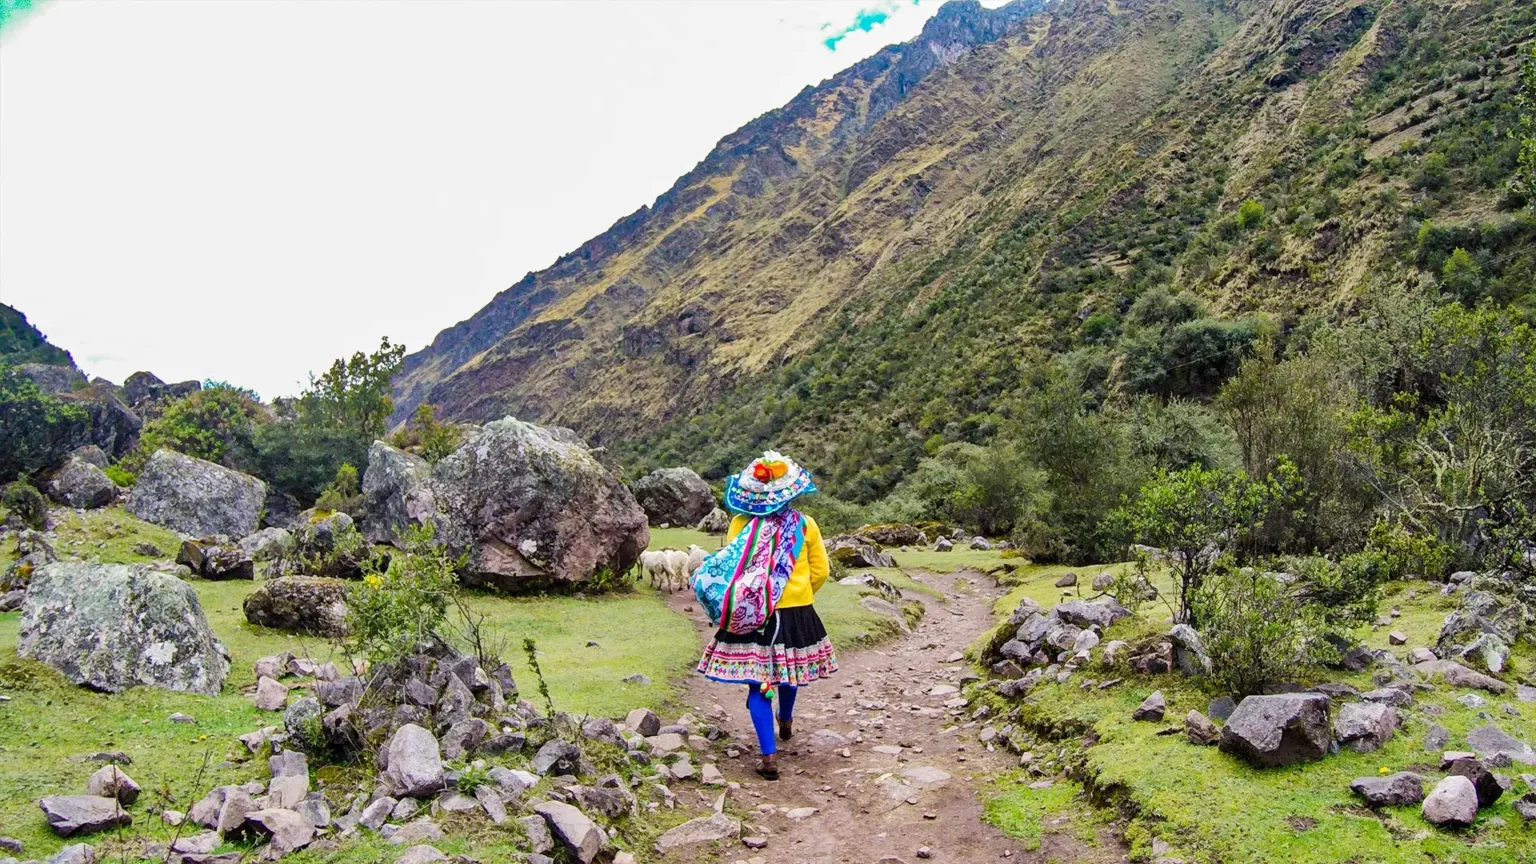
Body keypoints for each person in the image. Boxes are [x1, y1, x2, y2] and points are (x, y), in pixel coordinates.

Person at [695, 450, 836, 780]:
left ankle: (769, 756)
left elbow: (736, 570)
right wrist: (800, 595)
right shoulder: (805, 524)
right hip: (796, 612)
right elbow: (821, 571)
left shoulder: (741, 524)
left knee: (757, 686)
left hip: (754, 614)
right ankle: (785, 721)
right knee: (789, 673)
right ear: (790, 492)